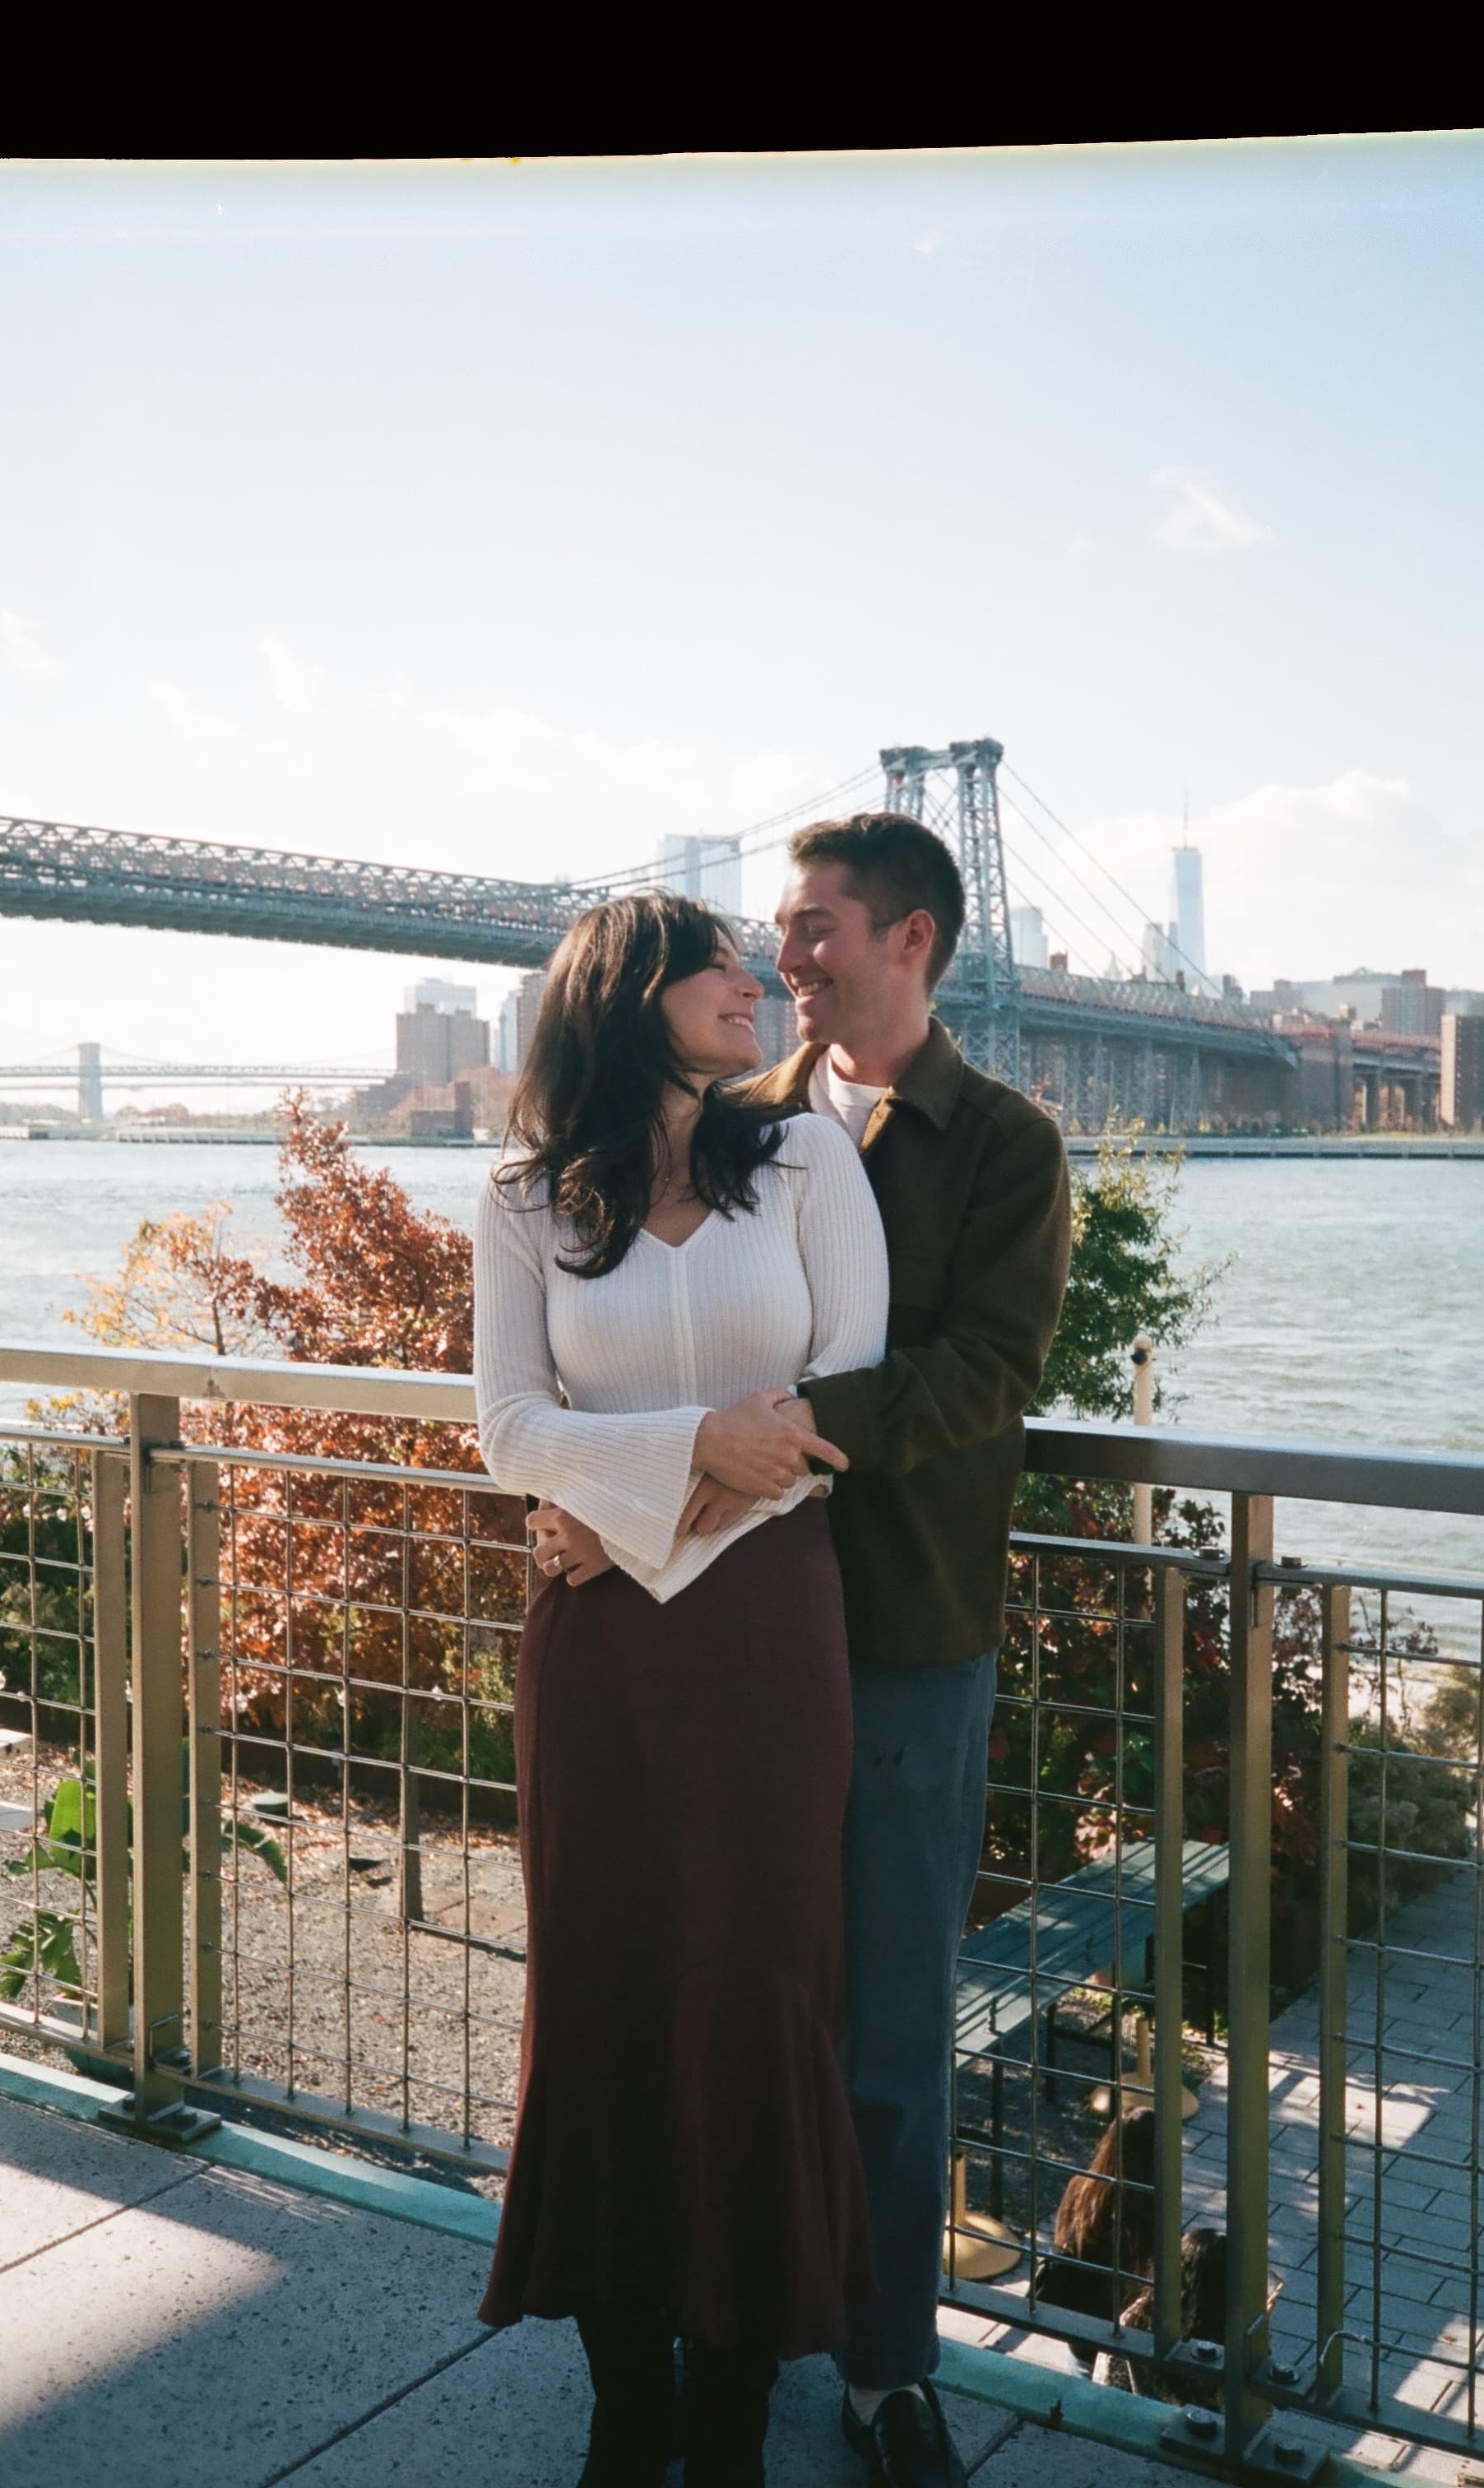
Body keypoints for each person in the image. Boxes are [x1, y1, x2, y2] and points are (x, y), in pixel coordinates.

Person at [534, 814, 1074, 2487]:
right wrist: (599, 1485)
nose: (788, 959)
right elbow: (593, 1365)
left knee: (892, 2033)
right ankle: (725, 2343)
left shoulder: (1006, 1144)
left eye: (818, 927)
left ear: (909, 937)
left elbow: (979, 1377)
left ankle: (885, 2373)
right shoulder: (739, 1130)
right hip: (712, 1628)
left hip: (900, 1624)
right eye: (774, 931)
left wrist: (706, 1452)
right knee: (716, 1999)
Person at [472, 893, 890, 2488]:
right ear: (623, 995)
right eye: (714, 962)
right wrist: (689, 1452)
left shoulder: (806, 1163)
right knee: (605, 1990)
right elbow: (512, 1429)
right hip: (597, 1647)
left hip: (767, 1633)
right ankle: (624, 2397)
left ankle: (730, 2404)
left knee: (754, 1992)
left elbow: (838, 1393)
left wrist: (656, 1485)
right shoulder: (519, 1200)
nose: (756, 981)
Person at [1038, 2106, 1159, 2328]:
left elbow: (1061, 2238)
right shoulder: (1152, 2210)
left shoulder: (1080, 2187)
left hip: (1079, 2318)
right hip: (1124, 2328)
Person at [1091, 2226, 1228, 2407]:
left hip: (1142, 2423)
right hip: (1210, 2431)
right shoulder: (1232, 2331)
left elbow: (1105, 2386)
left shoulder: (1136, 2318)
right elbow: (1257, 2411)